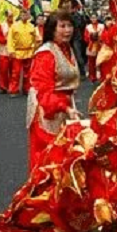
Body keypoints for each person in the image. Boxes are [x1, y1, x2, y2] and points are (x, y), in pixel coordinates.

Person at [26, 10, 81, 170]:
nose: (67, 30)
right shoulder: (46, 54)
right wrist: (64, 107)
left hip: (64, 106)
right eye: (62, 26)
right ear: (52, 29)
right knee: (50, 161)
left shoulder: (67, 49)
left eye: (70, 25)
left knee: (66, 156)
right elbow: (42, 91)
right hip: (47, 110)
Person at [8, 10, 39, 96]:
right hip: (17, 52)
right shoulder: (14, 26)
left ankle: (27, 88)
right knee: (16, 72)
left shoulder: (32, 26)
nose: (24, 16)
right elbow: (10, 39)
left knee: (28, 73)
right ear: (20, 15)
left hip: (29, 52)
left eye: (26, 14)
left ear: (29, 16)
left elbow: (36, 39)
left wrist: (35, 49)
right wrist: (11, 50)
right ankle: (13, 90)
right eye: (23, 14)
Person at [0, 12, 12, 94]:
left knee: (13, 71)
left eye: (11, 16)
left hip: (13, 51)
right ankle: (3, 87)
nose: (10, 17)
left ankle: (12, 87)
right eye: (9, 16)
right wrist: (5, 40)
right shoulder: (2, 25)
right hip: (4, 51)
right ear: (6, 16)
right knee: (3, 70)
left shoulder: (16, 25)